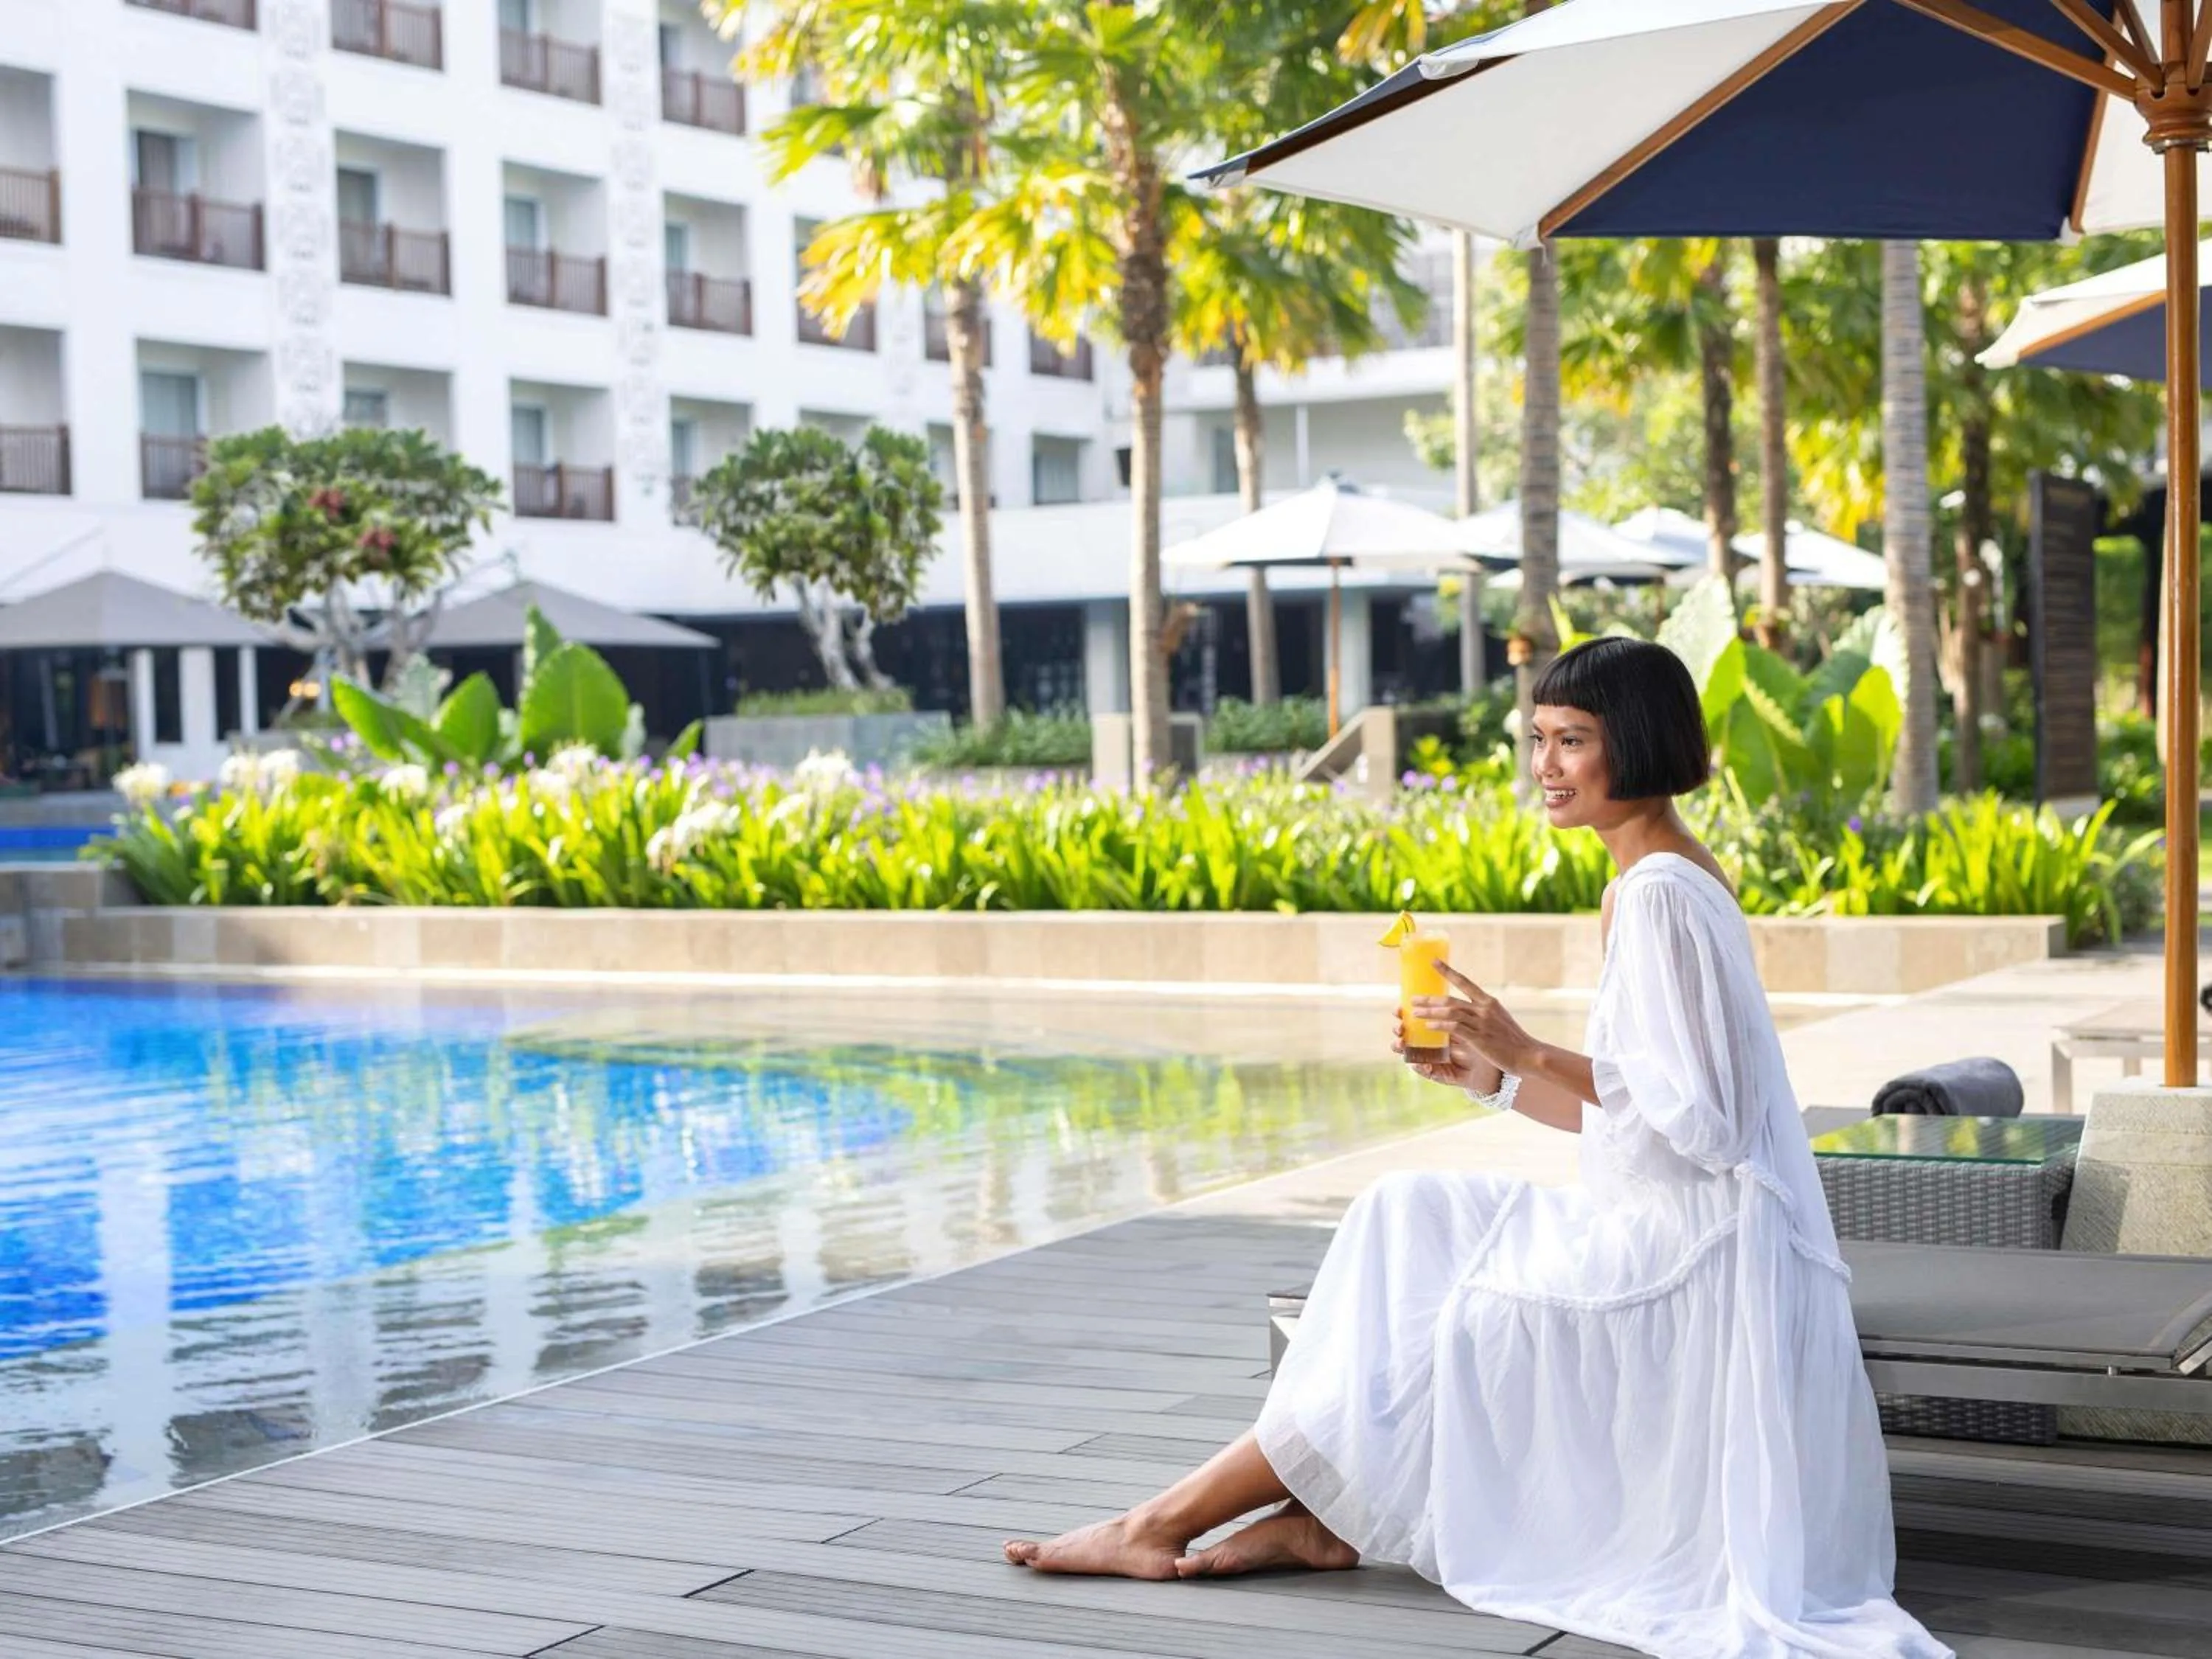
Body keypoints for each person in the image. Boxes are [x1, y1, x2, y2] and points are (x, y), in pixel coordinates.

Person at [1004, 637, 1950, 1659]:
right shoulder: (1641, 879)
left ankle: (1168, 1522)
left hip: (1705, 1260)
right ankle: (1321, 1514)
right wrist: (1495, 1080)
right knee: (1401, 1214)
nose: (1546, 764)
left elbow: (1708, 1124)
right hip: (1669, 1216)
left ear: (1633, 743)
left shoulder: (1665, 892)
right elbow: (1641, 1120)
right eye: (1539, 738)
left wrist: (1527, 1044)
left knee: (1440, 1320)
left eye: (1573, 741)